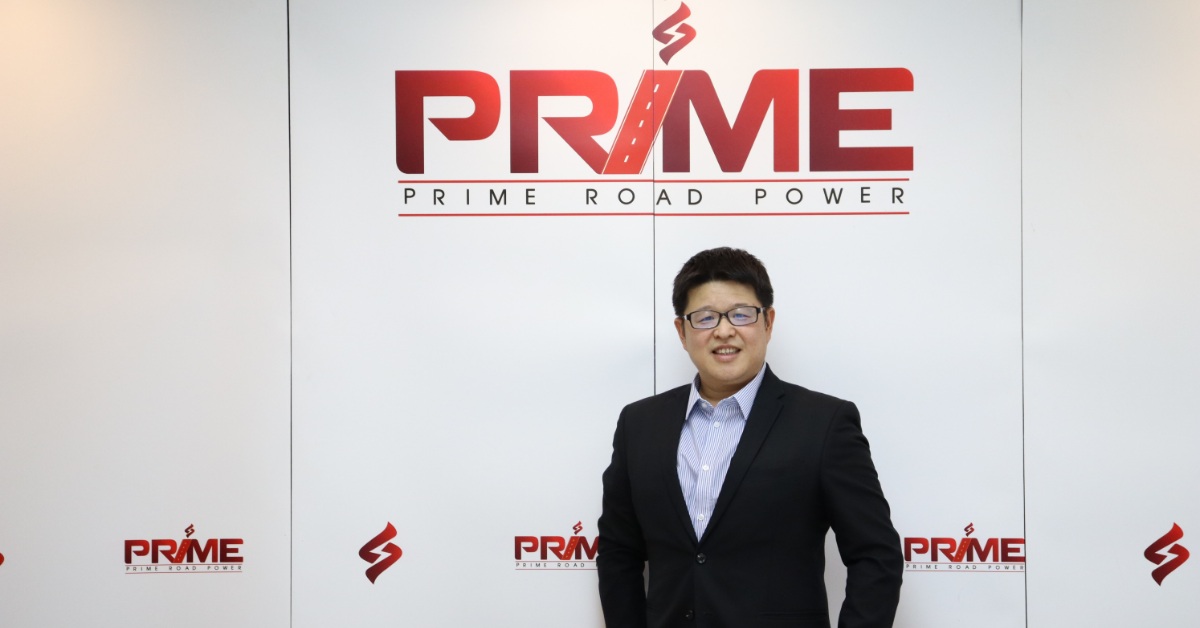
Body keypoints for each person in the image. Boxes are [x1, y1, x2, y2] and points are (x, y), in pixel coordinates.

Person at [598, 247, 902, 628]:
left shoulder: (824, 424)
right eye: (705, 317)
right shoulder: (639, 424)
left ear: (768, 323)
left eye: (741, 314)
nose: (724, 331)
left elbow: (876, 556)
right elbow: (618, 552)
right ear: (682, 332)